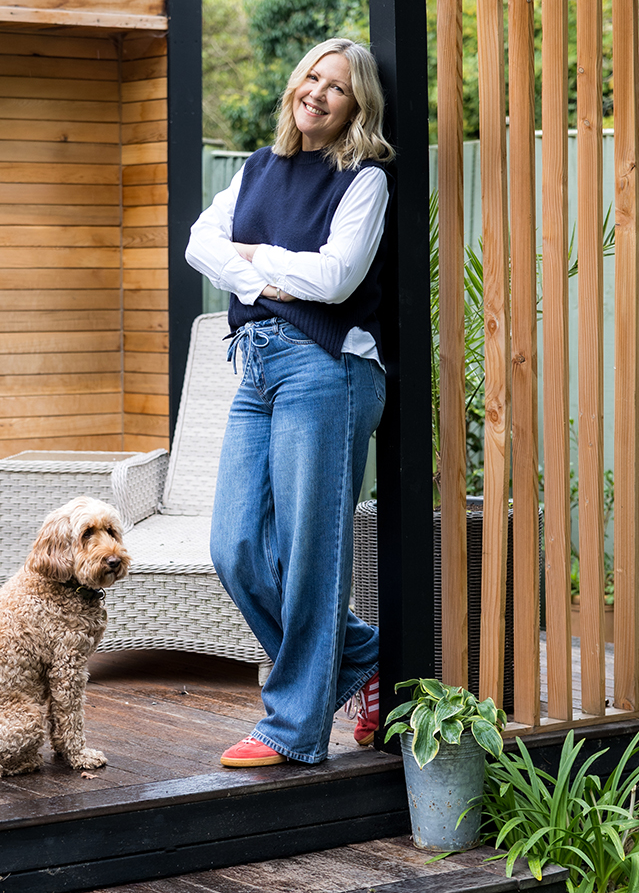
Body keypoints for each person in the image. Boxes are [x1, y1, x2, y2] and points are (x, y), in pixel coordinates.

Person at [185, 38, 394, 767]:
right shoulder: (256, 170)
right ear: (294, 85)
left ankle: (293, 728)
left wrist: (250, 261)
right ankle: (364, 656)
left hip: (327, 371)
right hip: (258, 369)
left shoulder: (363, 179)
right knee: (236, 546)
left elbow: (335, 279)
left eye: (337, 86)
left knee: (310, 555)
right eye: (312, 75)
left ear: (355, 106)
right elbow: (198, 245)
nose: (318, 92)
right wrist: (269, 277)